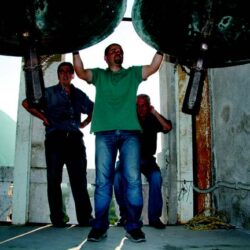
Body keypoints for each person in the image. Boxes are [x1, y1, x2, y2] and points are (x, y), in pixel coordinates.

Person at [73, 44, 163, 242]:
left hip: (130, 134)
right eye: (113, 50)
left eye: (120, 50)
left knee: (133, 181)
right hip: (104, 134)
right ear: (106, 57)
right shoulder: (99, 75)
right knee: (103, 182)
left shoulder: (132, 74)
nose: (117, 52)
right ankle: (100, 227)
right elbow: (80, 72)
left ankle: (133, 227)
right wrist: (75, 49)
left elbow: (154, 66)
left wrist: (161, 47)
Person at [22, 62, 94, 227]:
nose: (65, 74)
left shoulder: (79, 95)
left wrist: (85, 123)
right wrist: (44, 118)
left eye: (69, 72)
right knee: (54, 180)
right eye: (62, 71)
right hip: (55, 140)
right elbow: (26, 103)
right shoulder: (48, 93)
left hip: (75, 140)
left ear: (72, 75)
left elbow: (93, 109)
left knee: (79, 181)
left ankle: (85, 219)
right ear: (58, 74)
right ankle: (58, 219)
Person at [114, 94, 172, 230]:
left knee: (156, 177)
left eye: (143, 106)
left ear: (148, 106)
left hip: (147, 159)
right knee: (117, 178)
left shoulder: (152, 118)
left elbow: (167, 127)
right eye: (137, 106)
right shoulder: (128, 118)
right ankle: (125, 216)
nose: (140, 109)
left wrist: (155, 112)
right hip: (127, 160)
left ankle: (154, 218)